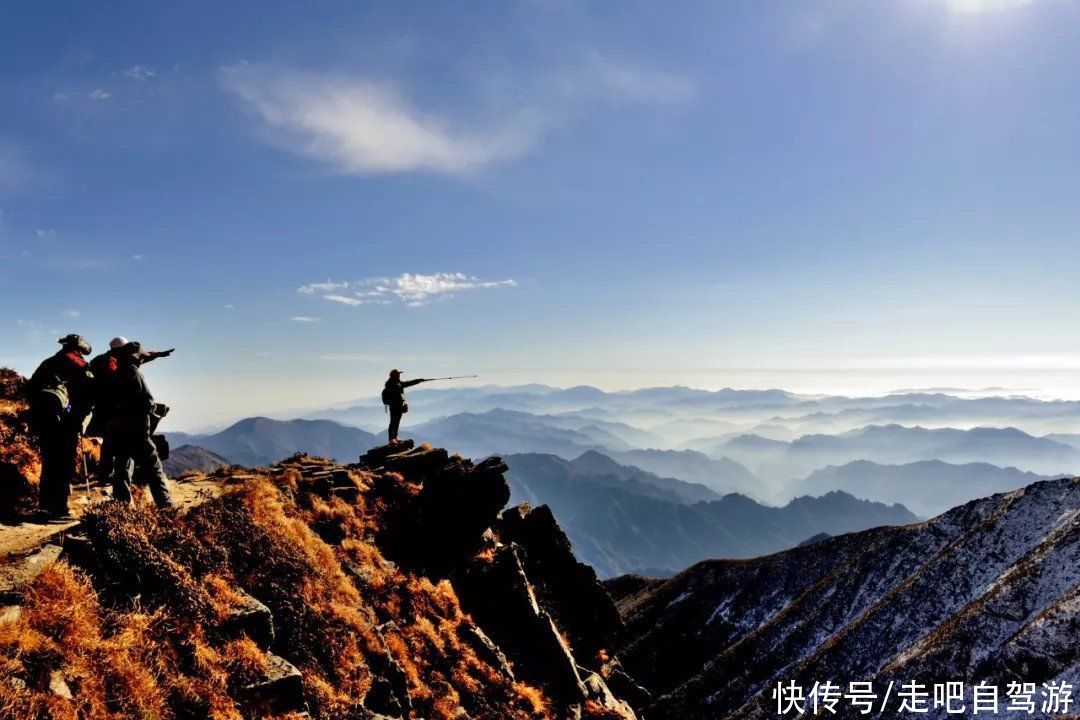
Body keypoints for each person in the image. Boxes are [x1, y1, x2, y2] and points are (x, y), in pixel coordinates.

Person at [27, 334, 95, 520]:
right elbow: (91, 390)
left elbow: (31, 387)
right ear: (79, 349)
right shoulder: (77, 363)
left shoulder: (48, 362)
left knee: (49, 461)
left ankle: (45, 506)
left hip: (42, 419)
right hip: (62, 420)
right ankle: (60, 508)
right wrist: (81, 418)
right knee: (64, 462)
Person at [88, 337, 173, 484]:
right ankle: (108, 475)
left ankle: (106, 474)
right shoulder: (114, 362)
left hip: (102, 405)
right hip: (111, 406)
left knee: (111, 440)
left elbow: (142, 356)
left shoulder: (103, 359)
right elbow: (118, 379)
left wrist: (157, 354)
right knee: (112, 440)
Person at [108, 341, 172, 508]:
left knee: (121, 472)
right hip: (138, 433)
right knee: (155, 471)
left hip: (120, 432)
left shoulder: (115, 373)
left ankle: (121, 510)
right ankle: (167, 511)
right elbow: (146, 402)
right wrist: (158, 408)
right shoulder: (134, 373)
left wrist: (158, 354)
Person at [382, 369, 427, 444]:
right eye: (398, 374)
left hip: (399, 405)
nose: (399, 375)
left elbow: (408, 383)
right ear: (395, 376)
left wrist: (419, 380)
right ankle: (391, 439)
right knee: (393, 422)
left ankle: (395, 436)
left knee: (397, 421)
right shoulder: (392, 385)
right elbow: (406, 385)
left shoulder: (398, 383)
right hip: (394, 406)